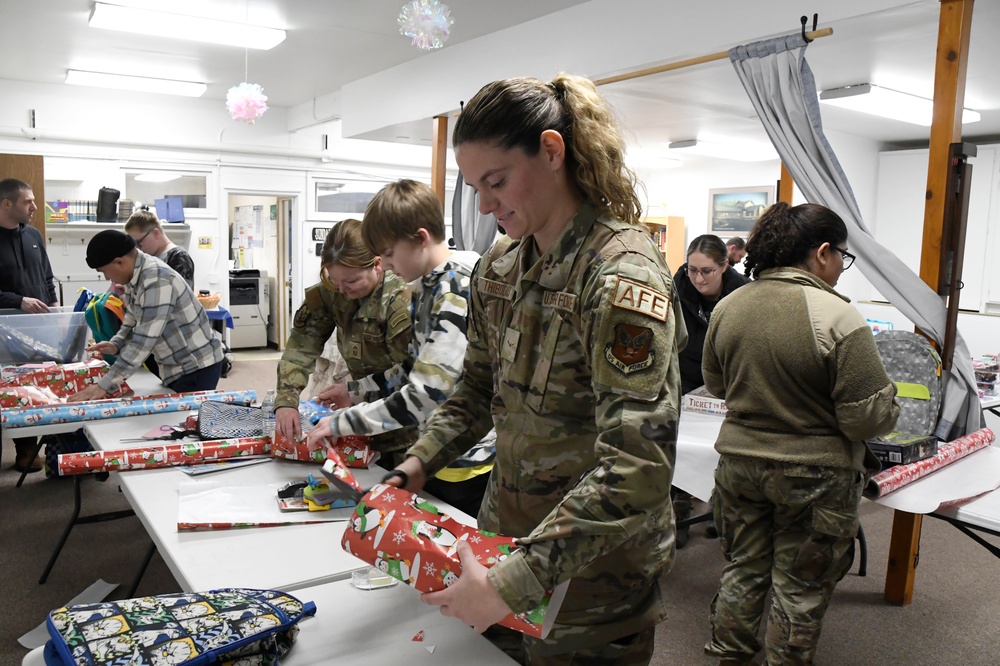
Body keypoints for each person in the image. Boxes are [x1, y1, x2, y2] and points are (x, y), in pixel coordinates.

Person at [381, 74, 685, 664]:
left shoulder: (619, 277)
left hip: (589, 581)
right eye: (474, 188)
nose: (486, 204)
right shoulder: (501, 265)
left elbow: (638, 468)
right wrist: (421, 461)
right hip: (502, 545)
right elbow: (476, 387)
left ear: (552, 151)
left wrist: (511, 582)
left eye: (496, 182)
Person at [702, 202, 899, 666]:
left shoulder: (729, 306)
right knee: (801, 585)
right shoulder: (838, 316)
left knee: (743, 569)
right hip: (815, 476)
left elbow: (715, 384)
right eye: (842, 260)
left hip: (739, 467)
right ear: (824, 252)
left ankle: (727, 654)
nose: (840, 270)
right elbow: (863, 420)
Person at [307, 179, 494, 517]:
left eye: (390, 253)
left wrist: (343, 423)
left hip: (465, 461)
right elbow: (410, 370)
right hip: (435, 452)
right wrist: (356, 392)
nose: (387, 265)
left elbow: (426, 393)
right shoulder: (427, 286)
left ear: (421, 238)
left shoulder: (454, 289)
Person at [274, 219, 417, 465]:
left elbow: (410, 376)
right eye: (334, 280)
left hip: (407, 424)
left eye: (351, 281)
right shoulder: (334, 288)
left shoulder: (399, 302)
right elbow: (302, 344)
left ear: (377, 265)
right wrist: (286, 400)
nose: (342, 290)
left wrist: (356, 392)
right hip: (363, 419)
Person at [68, 230, 225, 400]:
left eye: (104, 272)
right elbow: (132, 318)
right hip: (175, 365)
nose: (108, 278)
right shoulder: (135, 274)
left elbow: (143, 342)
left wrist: (103, 386)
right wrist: (116, 344)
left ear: (119, 262)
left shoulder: (156, 280)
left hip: (196, 367)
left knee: (184, 421)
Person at [672, 234, 748, 547]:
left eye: (707, 271)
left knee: (722, 446)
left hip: (728, 377)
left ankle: (720, 506)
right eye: (692, 270)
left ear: (724, 266)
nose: (698, 278)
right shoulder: (678, 286)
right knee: (680, 444)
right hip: (686, 373)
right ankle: (679, 507)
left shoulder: (743, 292)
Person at [0, 178, 58, 473]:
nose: (35, 207)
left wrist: (57, 312)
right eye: (28, 202)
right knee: (13, 392)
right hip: (4, 330)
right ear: (7, 204)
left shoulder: (33, 234)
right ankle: (22, 449)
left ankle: (40, 450)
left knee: (40, 388)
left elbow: (47, 277)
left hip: (41, 329)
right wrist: (19, 300)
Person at [124, 209, 195, 289]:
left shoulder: (179, 257)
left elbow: (180, 298)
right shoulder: (148, 258)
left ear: (156, 233)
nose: (137, 248)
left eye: (139, 242)